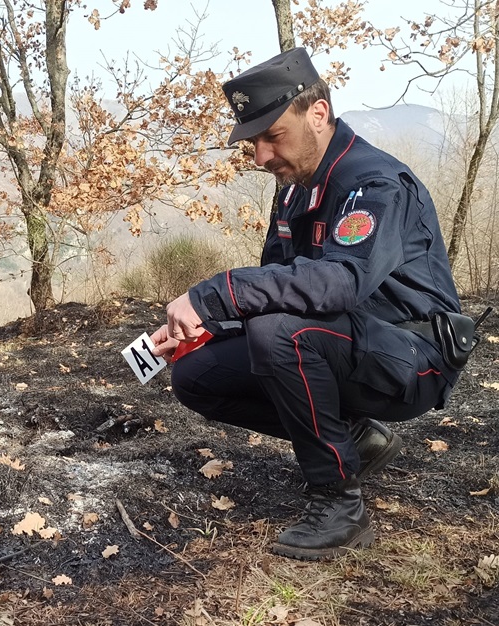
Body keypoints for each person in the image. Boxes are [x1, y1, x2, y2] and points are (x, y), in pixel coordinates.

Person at [150, 47, 464, 560]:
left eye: (273, 136)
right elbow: (278, 283)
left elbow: (341, 282)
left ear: (318, 113)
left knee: (279, 333)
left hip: (414, 355)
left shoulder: (374, 183)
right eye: (253, 142)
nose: (261, 157)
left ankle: (339, 507)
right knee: (195, 374)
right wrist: (208, 327)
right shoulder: (295, 188)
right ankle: (356, 441)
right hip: (344, 343)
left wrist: (215, 293)